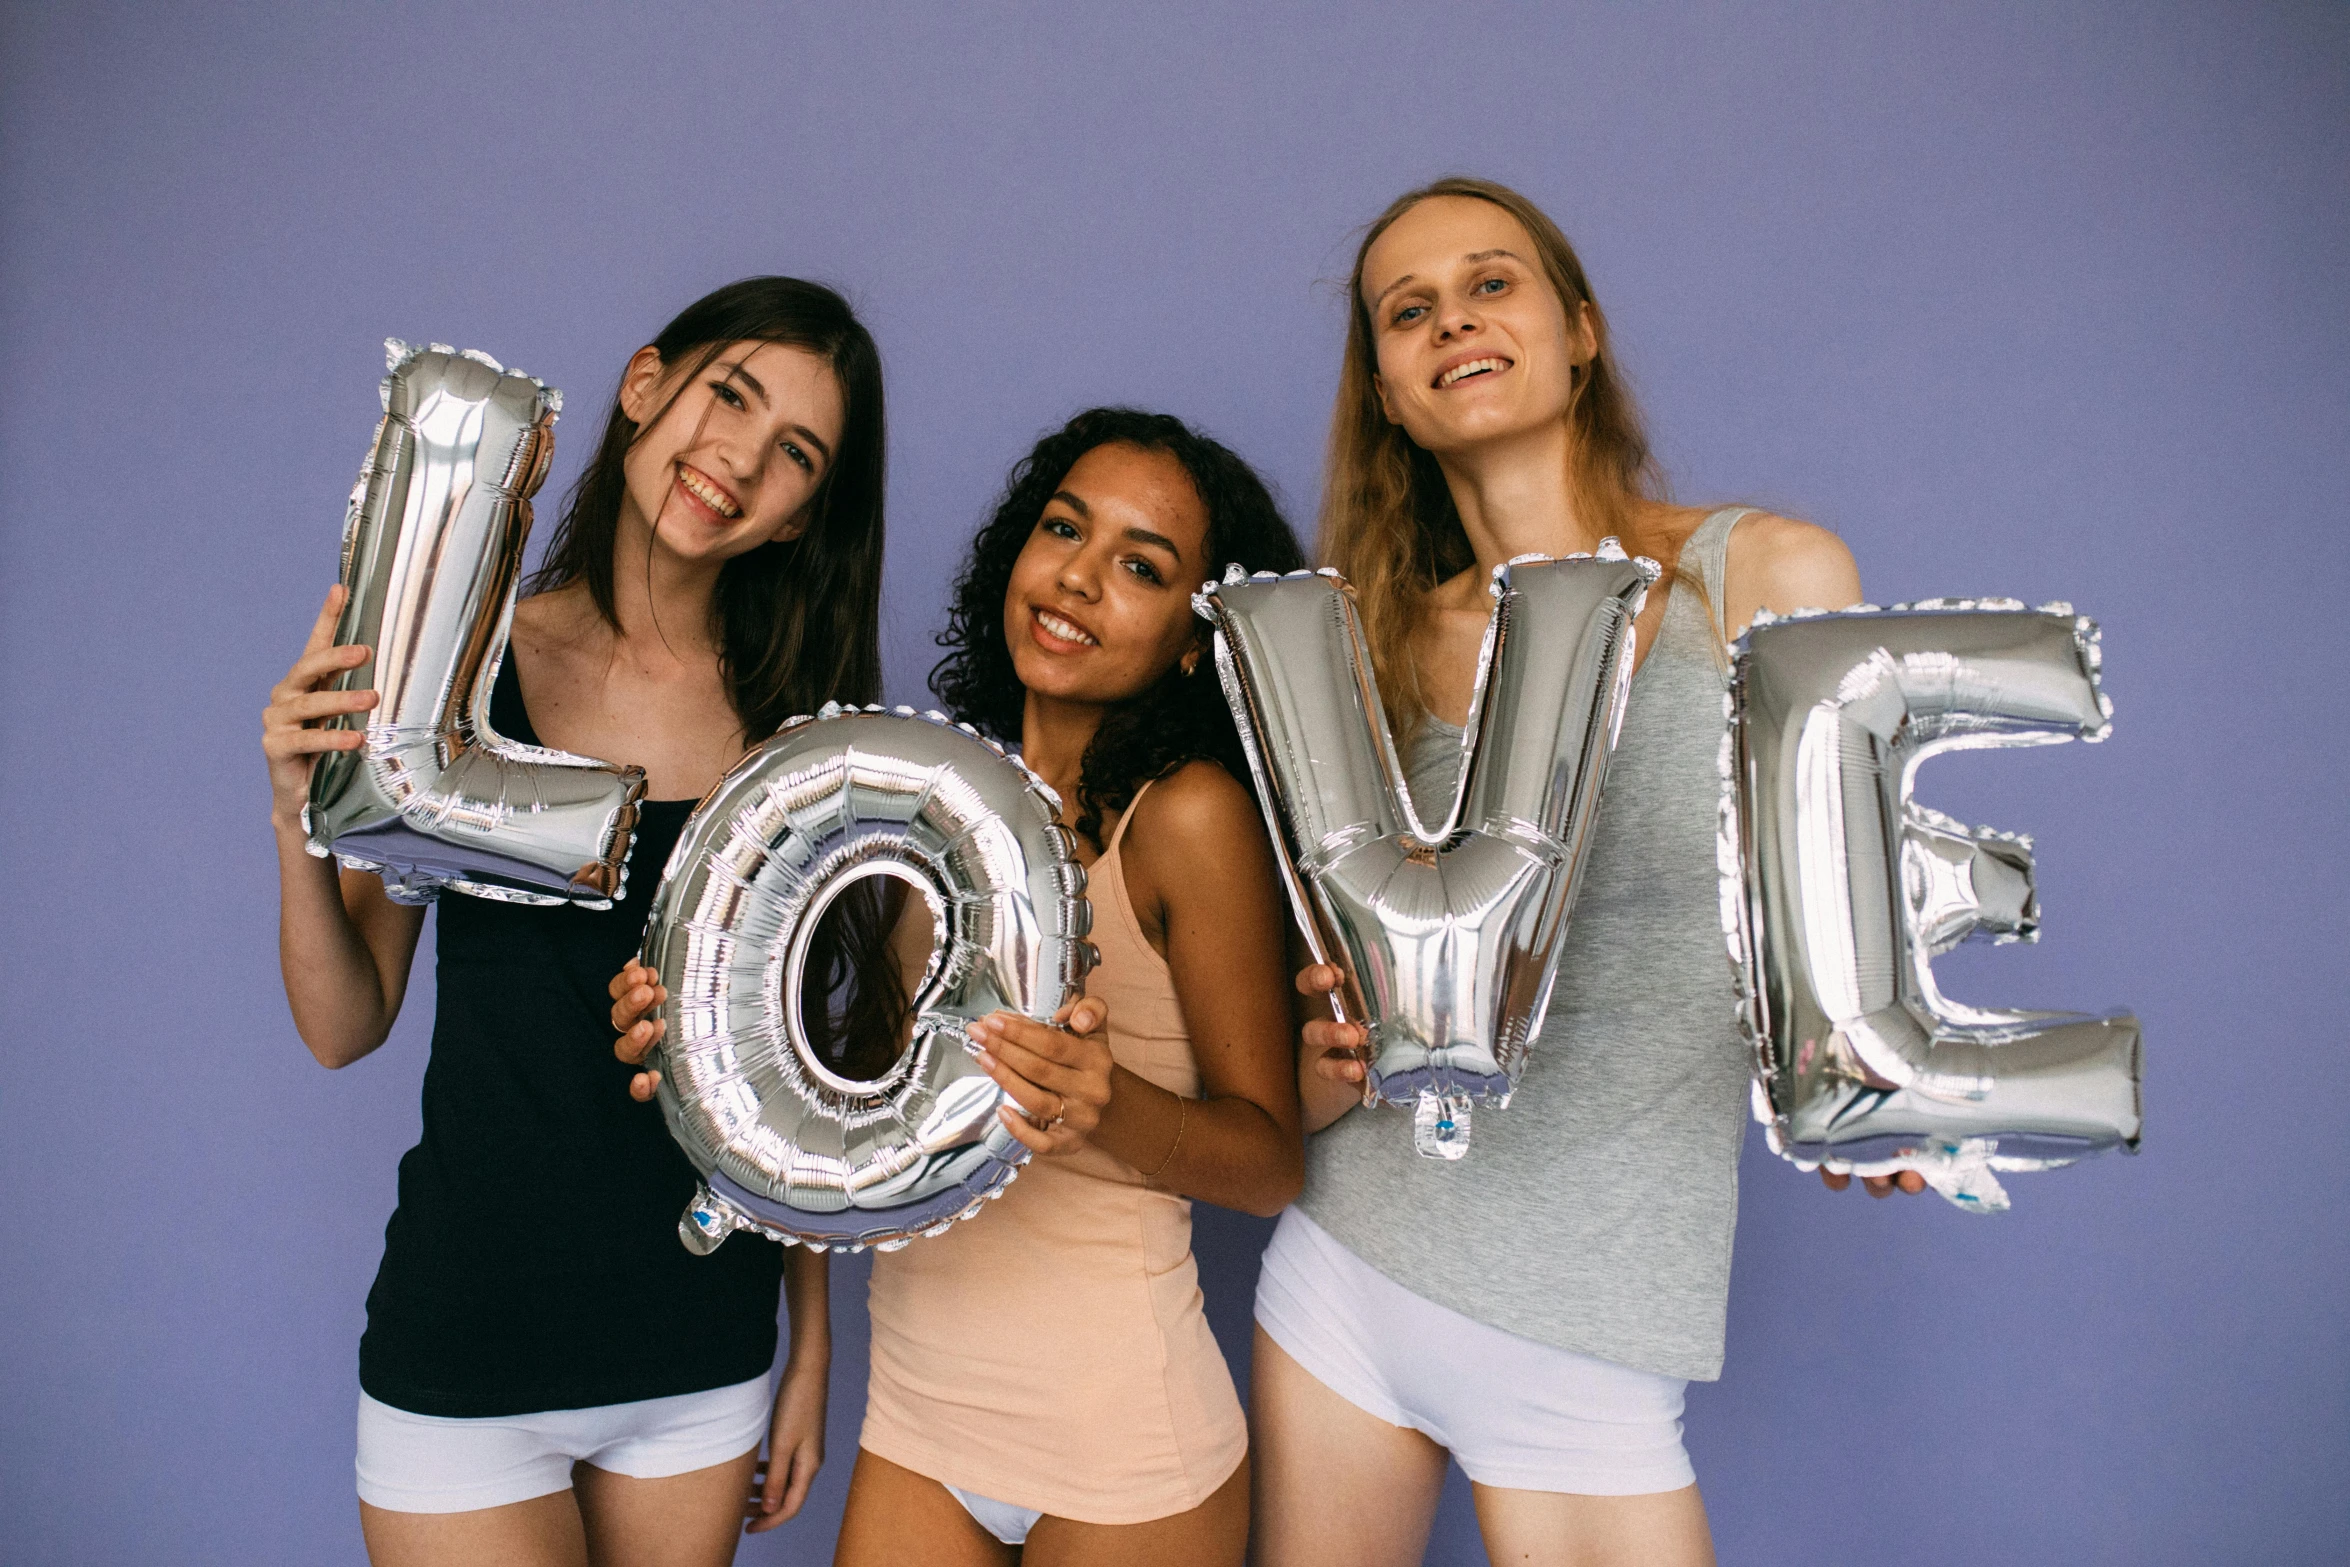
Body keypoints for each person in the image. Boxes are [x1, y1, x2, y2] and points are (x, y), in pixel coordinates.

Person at [1248, 177, 1924, 1567]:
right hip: (1348, 1269)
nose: (1453, 323)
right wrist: (1317, 1040)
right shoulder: (1367, 645)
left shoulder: (1763, 575)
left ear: (1579, 332)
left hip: (1589, 1309)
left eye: (1490, 284)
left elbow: (1841, 926)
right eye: (1407, 310)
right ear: (1382, 386)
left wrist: (1862, 1078)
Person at [263, 277, 889, 1566]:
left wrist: (811, 1344)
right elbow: (344, 1025)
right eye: (730, 394)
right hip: (471, 1334)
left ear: (798, 522)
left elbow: (803, 1090)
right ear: (647, 382)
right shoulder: (457, 680)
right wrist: (295, 821)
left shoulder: (797, 736)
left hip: (700, 1353)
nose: (739, 458)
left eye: (795, 455)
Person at [612, 406, 1309, 1566]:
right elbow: (849, 1124)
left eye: (1140, 566)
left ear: (1196, 639)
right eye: (1062, 530)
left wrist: (1106, 1101)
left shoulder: (1187, 818)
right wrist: (696, 1050)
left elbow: (1270, 1161)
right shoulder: (925, 803)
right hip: (921, 1418)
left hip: (1125, 1445)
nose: (1079, 578)